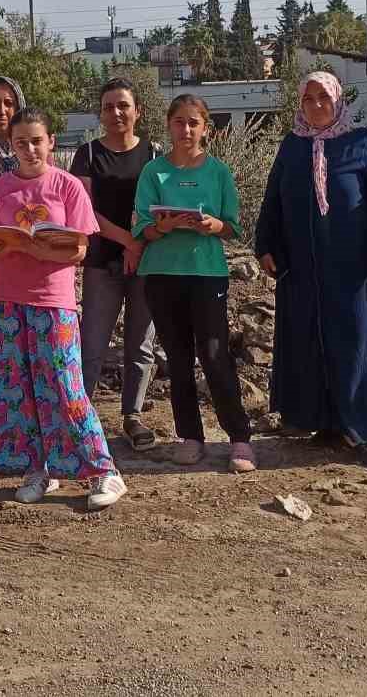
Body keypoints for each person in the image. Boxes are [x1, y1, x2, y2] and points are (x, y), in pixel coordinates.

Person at [0, 108, 127, 511]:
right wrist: (0, 245)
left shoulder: (68, 187)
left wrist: (29, 245)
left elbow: (79, 249)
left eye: (36, 140)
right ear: (11, 145)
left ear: (51, 141)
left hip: (52, 301)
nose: (29, 149)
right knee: (16, 389)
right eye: (21, 142)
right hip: (7, 301)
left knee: (64, 386)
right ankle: (38, 469)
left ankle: (103, 470)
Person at [256, 72, 367, 469]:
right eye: (309, 99)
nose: (317, 105)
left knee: (356, 339)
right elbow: (273, 198)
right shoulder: (292, 146)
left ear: (338, 100)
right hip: (300, 265)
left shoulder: (363, 143)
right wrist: (265, 245)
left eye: (324, 97)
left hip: (354, 266)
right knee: (309, 338)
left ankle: (362, 428)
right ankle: (319, 422)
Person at [131, 94, 255, 473]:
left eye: (193, 123)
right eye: (179, 122)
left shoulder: (218, 172)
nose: (186, 130)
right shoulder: (154, 173)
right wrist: (161, 226)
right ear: (168, 126)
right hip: (162, 275)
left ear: (206, 129)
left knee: (215, 355)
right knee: (178, 358)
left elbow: (233, 226)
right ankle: (190, 436)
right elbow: (140, 226)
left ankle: (239, 439)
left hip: (207, 274)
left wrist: (214, 225)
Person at [69, 78, 160, 451]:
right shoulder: (88, 155)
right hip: (102, 263)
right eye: (108, 107)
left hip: (148, 262)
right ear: (100, 114)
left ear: (137, 111)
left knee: (141, 345)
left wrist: (139, 245)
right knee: (91, 343)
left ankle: (132, 417)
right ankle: (82, 419)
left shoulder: (154, 154)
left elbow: (158, 204)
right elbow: (84, 210)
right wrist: (127, 242)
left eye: (123, 105)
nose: (116, 113)